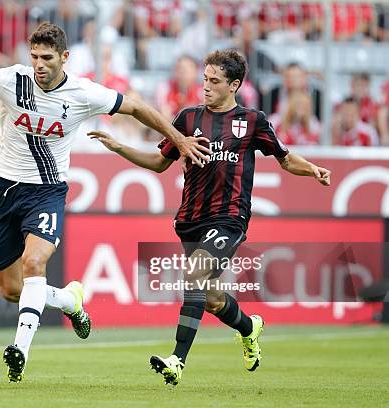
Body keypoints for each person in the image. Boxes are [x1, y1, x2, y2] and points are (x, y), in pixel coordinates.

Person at [0, 22, 209, 383]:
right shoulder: (11, 80)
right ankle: (69, 301)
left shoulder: (84, 92)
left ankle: (20, 350)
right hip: (2, 190)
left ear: (65, 57)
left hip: (46, 191)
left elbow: (138, 109)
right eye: (34, 57)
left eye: (47, 58)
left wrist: (179, 139)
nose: (39, 65)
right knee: (12, 289)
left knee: (34, 262)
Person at [89, 49, 331, 386]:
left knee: (195, 270)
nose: (205, 86)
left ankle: (177, 360)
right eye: (204, 79)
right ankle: (249, 328)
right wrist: (119, 148)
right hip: (190, 219)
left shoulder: (252, 121)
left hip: (230, 217)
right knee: (213, 298)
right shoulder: (188, 118)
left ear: (233, 85)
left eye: (214, 81)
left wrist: (313, 170)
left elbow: (285, 158)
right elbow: (160, 163)